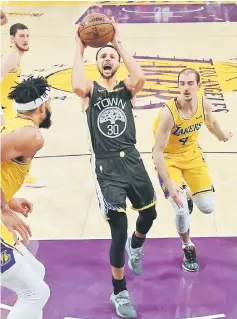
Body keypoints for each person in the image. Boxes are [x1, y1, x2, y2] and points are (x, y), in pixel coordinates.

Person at [72, 18, 157, 318]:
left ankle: (138, 244)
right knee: (118, 230)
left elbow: (141, 76)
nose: (107, 59)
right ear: (97, 65)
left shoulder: (126, 89)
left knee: (150, 213)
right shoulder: (90, 92)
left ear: (118, 63)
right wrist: (79, 47)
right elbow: (75, 84)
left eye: (111, 57)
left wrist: (117, 41)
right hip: (107, 168)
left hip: (132, 159)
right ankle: (119, 291)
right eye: (102, 57)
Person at [153, 68, 233, 272]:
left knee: (207, 207)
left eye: (190, 83)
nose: (186, 87)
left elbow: (210, 121)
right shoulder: (168, 113)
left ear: (198, 86)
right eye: (182, 83)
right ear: (178, 86)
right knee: (180, 210)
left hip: (192, 156)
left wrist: (221, 135)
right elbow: (157, 151)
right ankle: (188, 246)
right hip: (169, 159)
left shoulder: (203, 102)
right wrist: (169, 183)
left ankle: (189, 193)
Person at [1, 76, 52, 319]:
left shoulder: (13, 123)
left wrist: (9, 200)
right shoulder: (31, 137)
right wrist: (3, 210)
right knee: (35, 293)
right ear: (43, 106)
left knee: (37, 272)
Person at [1, 22, 45, 187]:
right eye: (21, 36)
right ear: (12, 39)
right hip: (4, 109)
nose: (25, 39)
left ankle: (24, 175)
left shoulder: (17, 56)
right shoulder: (12, 56)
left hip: (8, 108)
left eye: (27, 36)